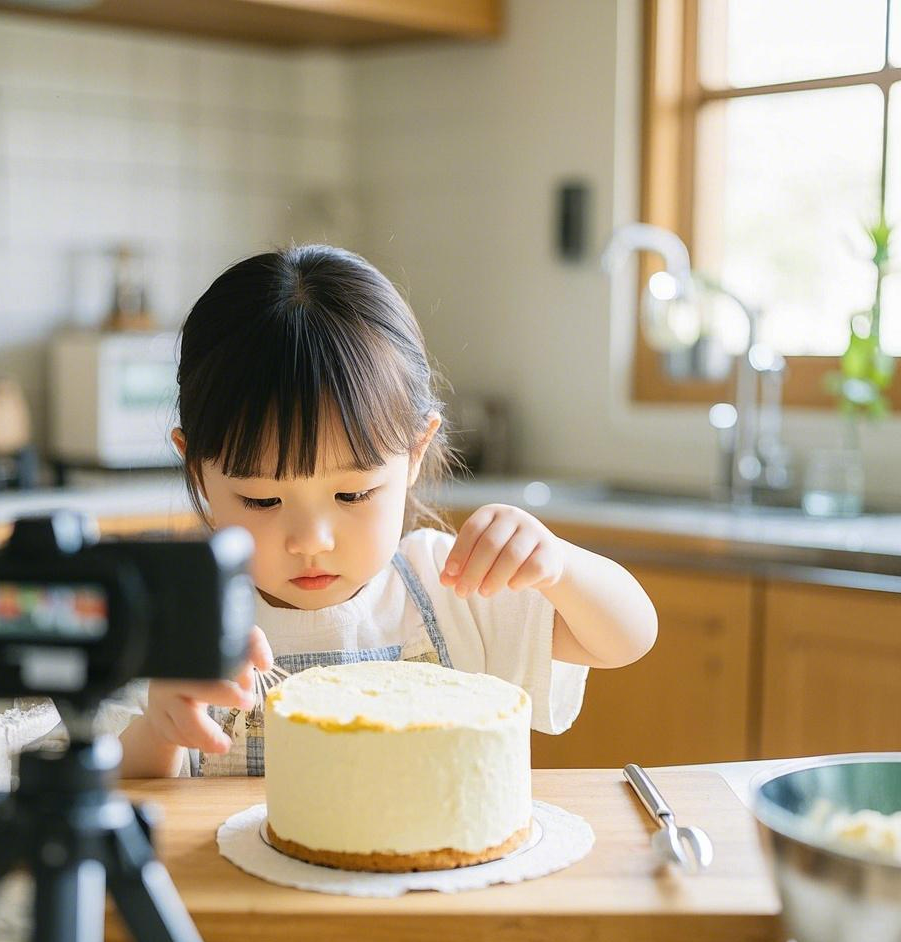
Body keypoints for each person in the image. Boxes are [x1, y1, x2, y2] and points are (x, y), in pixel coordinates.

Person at [118, 245, 657, 778]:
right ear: (197, 471)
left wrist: (558, 566)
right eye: (263, 500)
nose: (311, 540)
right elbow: (124, 790)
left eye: (352, 495)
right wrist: (161, 728)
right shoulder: (168, 622)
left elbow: (627, 639)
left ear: (416, 452)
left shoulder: (456, 589)